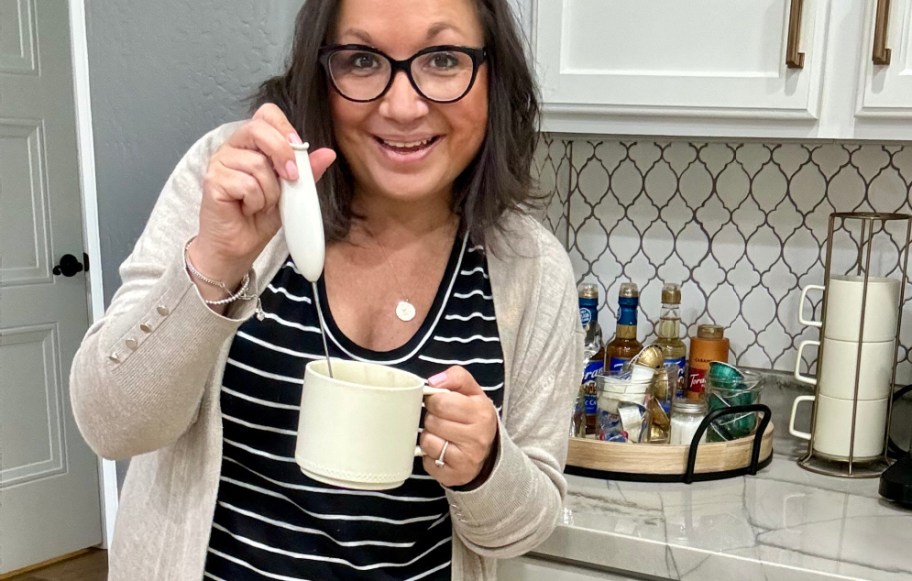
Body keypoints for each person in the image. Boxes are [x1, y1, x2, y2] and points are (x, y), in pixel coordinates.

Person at [70, 0, 583, 579]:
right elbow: (111, 425)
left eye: (442, 59)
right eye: (362, 60)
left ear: (494, 76)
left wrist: (486, 465)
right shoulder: (231, 183)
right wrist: (215, 263)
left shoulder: (530, 267)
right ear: (319, 75)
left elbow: (522, 530)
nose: (403, 105)